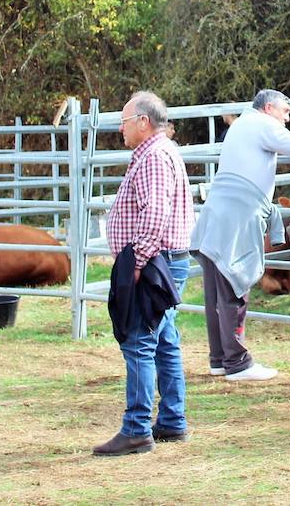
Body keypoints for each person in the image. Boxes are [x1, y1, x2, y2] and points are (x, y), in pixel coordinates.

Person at [93, 91, 196, 457]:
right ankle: (172, 418)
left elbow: (155, 212)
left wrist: (137, 262)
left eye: (123, 121)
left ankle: (136, 428)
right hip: (163, 259)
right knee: (163, 339)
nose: (119, 128)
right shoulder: (158, 152)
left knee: (139, 340)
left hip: (154, 260)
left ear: (142, 121)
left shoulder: (153, 156)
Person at [190, 89, 290, 381]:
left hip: (219, 213)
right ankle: (238, 362)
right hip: (238, 215)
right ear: (269, 108)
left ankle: (220, 359)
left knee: (216, 289)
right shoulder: (263, 124)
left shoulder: (242, 125)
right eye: (285, 112)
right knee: (236, 280)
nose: (287, 118)